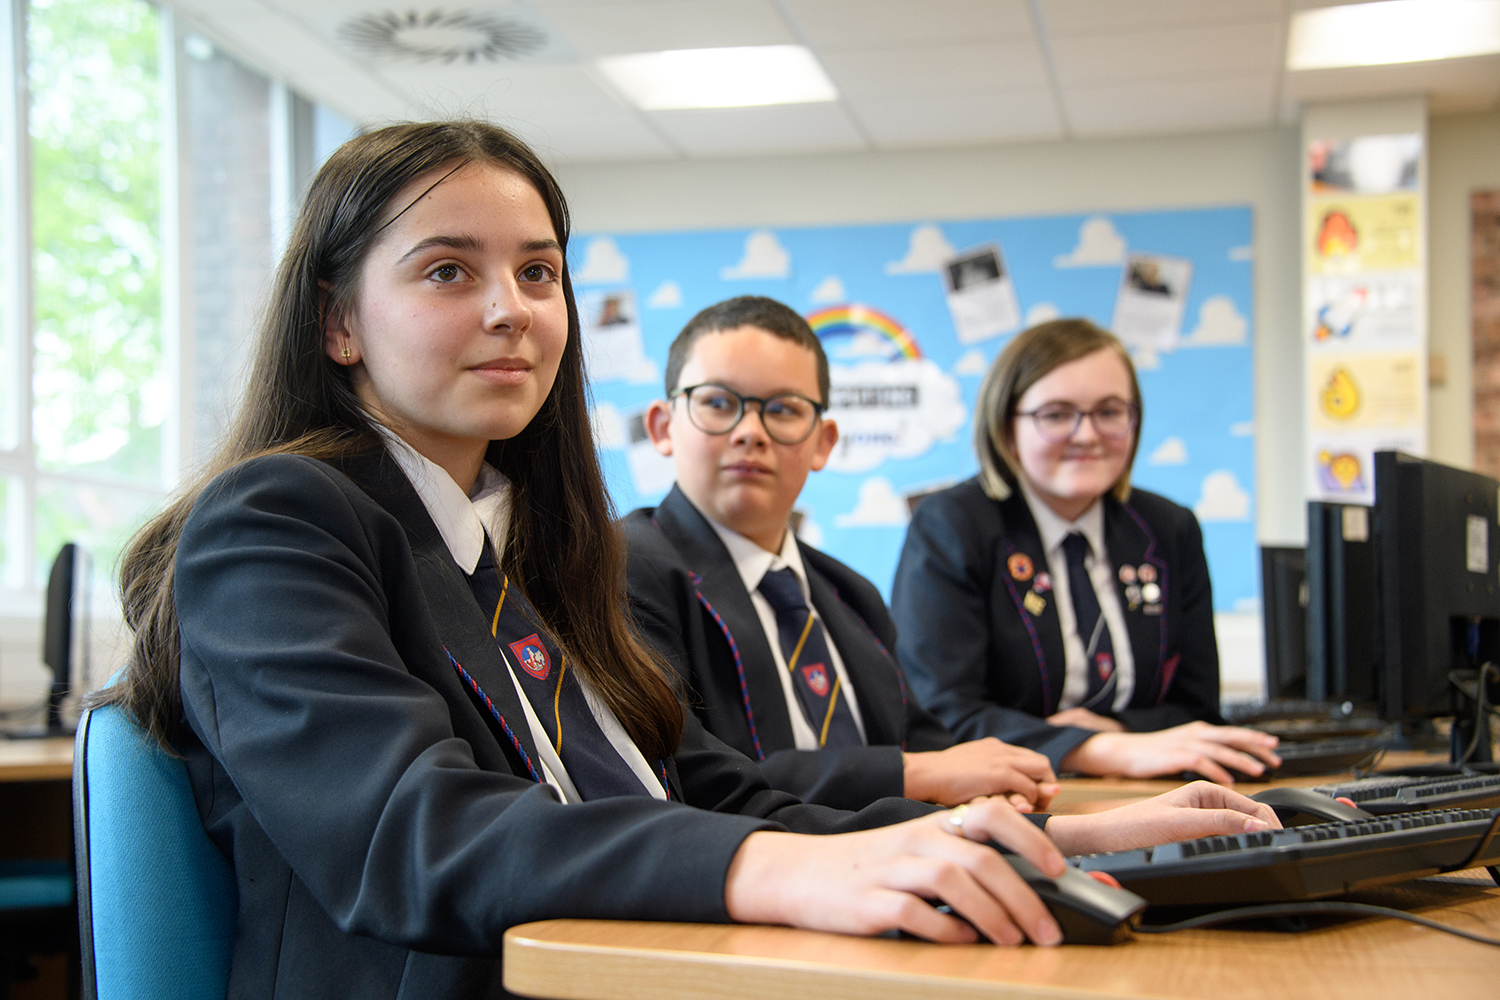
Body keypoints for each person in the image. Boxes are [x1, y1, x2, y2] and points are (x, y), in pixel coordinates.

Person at [99, 123, 1278, 998]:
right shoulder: (280, 520)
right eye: (448, 269)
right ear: (337, 322)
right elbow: (416, 834)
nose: (513, 308)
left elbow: (711, 790)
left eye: (539, 270)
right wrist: (782, 874)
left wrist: (1043, 833)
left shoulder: (509, 547)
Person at [623, 296, 1060, 812]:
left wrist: (990, 788)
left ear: (823, 442)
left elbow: (927, 747)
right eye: (718, 403)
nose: (750, 433)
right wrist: (913, 774)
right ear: (662, 427)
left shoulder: (850, 593)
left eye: (784, 410)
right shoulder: (625, 570)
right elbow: (689, 774)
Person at [891, 318, 1281, 784]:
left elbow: (1196, 708)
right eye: (1056, 414)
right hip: (1009, 802)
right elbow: (941, 716)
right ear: (1005, 427)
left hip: (1149, 793)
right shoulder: (952, 525)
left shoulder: (1169, 528)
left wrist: (1119, 731)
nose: (1087, 435)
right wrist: (1095, 750)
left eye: (1110, 411)